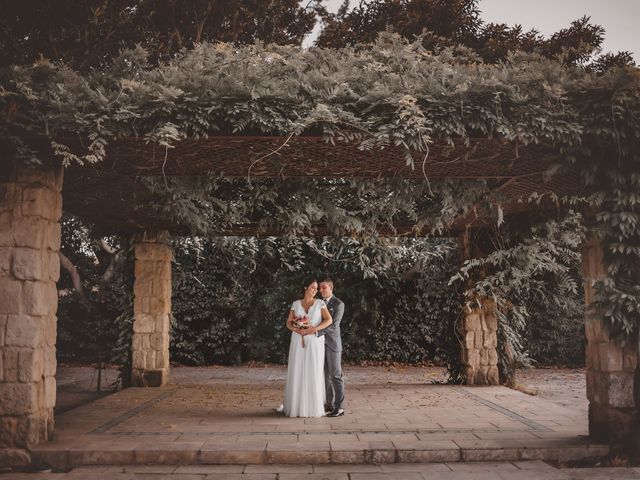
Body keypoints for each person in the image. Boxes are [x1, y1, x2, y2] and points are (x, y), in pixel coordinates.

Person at [281, 277, 333, 417]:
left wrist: (314, 329)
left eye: (317, 288)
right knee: (297, 369)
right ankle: (296, 406)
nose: (315, 290)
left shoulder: (320, 303)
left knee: (312, 370)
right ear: (305, 288)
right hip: (297, 341)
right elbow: (288, 323)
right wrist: (296, 329)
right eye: (313, 287)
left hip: (315, 343)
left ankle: (312, 407)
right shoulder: (296, 304)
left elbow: (329, 320)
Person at [314, 278, 345, 418]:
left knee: (336, 376)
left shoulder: (338, 304)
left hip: (332, 344)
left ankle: (339, 407)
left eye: (323, 288)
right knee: (325, 377)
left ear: (331, 288)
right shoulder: (318, 303)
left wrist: (316, 332)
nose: (320, 290)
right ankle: (329, 404)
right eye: (320, 288)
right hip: (319, 345)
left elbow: (334, 326)